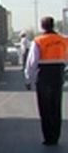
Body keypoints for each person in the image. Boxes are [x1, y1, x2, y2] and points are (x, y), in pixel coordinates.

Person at [24, 16, 68, 146]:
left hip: (43, 76)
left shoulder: (38, 41)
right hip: (58, 76)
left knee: (45, 108)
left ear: (42, 27)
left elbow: (32, 62)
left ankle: (48, 137)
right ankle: (55, 136)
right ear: (53, 25)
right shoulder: (63, 40)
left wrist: (28, 79)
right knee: (56, 106)